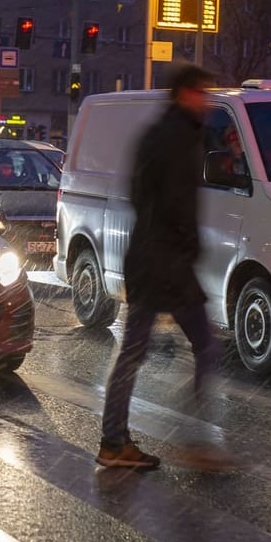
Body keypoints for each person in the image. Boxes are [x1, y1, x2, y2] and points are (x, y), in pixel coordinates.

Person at [98, 63, 234, 471]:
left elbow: (140, 194)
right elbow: (176, 204)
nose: (207, 102)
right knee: (206, 347)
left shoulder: (160, 134)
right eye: (203, 93)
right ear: (185, 94)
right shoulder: (177, 138)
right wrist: (186, 247)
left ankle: (114, 441)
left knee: (133, 353)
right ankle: (197, 442)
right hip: (167, 263)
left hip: (149, 257)